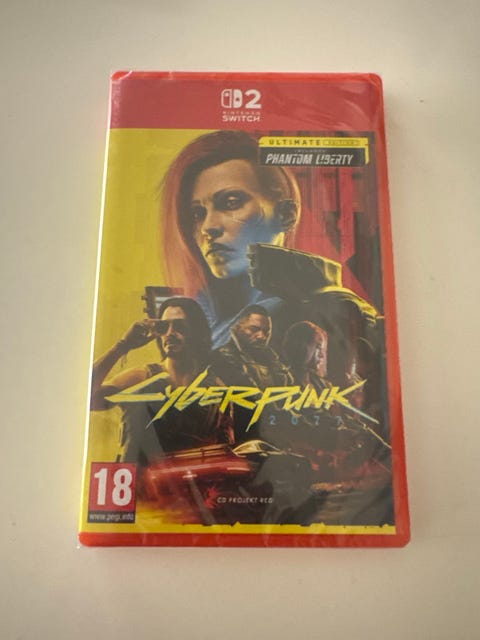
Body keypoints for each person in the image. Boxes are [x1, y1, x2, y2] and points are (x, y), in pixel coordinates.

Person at [90, 297, 233, 464]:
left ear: (196, 332)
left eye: (179, 326)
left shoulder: (215, 388)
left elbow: (225, 450)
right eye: (164, 327)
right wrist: (123, 346)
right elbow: (88, 399)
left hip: (186, 478)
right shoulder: (141, 378)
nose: (169, 334)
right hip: (136, 478)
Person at [209, 304, 292, 389]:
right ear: (237, 327)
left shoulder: (274, 360)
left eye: (266, 332)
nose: (261, 336)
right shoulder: (221, 357)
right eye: (254, 329)